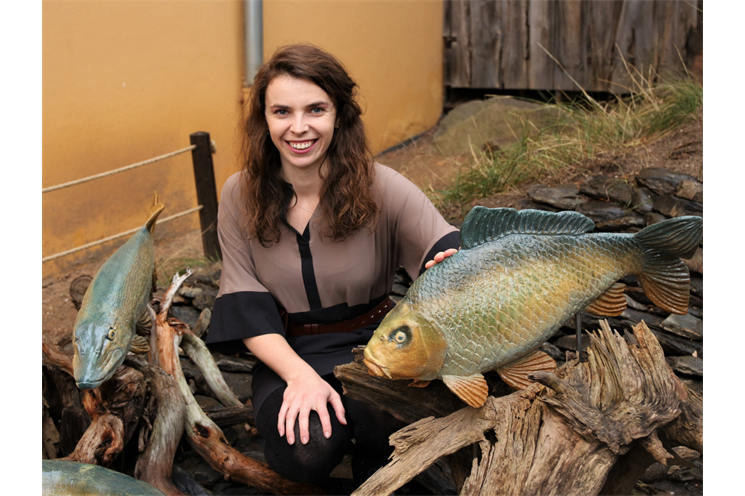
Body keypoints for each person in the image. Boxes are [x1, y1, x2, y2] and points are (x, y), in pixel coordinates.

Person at [204, 44, 460, 489]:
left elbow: (447, 253)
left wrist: (449, 266)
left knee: (386, 426)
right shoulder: (238, 195)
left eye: (315, 109)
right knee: (304, 452)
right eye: (282, 111)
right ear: (264, 119)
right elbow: (245, 301)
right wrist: (301, 378)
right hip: (289, 355)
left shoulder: (382, 186)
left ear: (339, 114)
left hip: (380, 348)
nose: (298, 127)